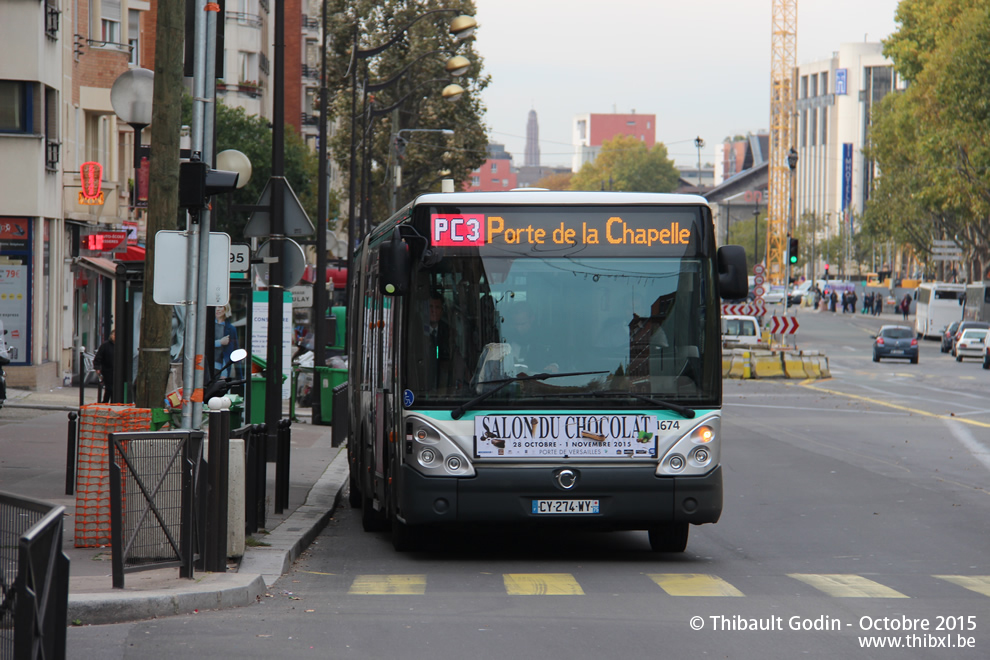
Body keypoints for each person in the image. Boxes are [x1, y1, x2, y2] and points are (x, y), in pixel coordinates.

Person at [214, 305, 239, 378]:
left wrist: (224, 373)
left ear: (226, 309)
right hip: (206, 366)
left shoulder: (231, 329)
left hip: (221, 369)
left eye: (220, 307)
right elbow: (201, 345)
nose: (217, 309)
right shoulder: (205, 325)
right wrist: (220, 342)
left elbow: (233, 352)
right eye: (215, 307)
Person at [93, 329, 115, 403]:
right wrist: (97, 367)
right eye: (114, 335)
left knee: (113, 389)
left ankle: (111, 402)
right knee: (109, 388)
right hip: (107, 370)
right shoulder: (105, 345)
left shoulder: (121, 345)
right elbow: (98, 357)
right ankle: (105, 402)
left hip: (117, 371)